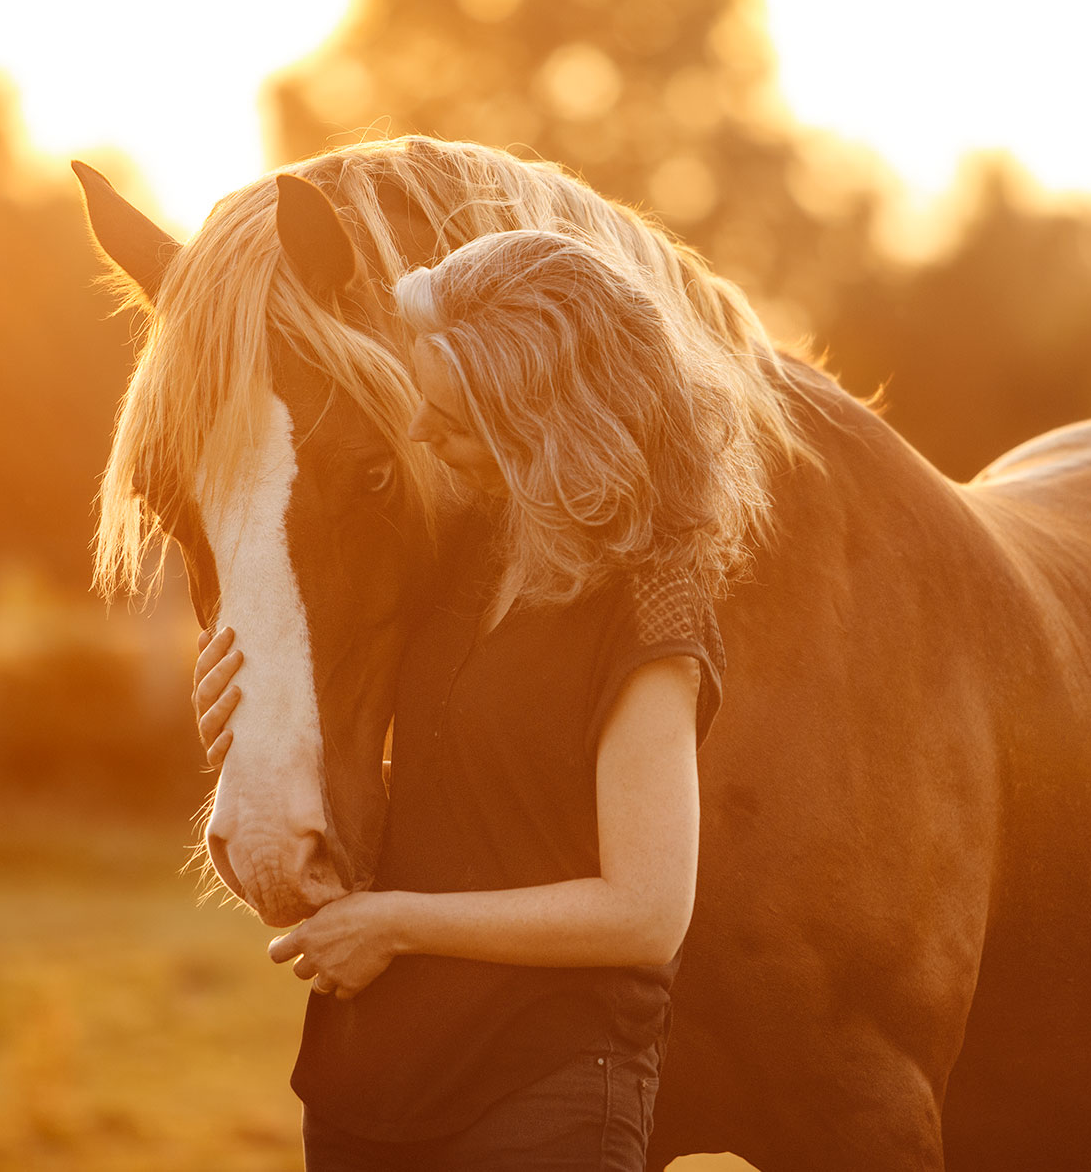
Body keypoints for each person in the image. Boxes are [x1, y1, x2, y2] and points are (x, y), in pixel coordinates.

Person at [192, 227, 762, 1170]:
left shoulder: (651, 604)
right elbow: (453, 788)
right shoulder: (458, 553)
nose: (418, 432)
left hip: (544, 1087)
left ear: (542, 413)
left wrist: (398, 922)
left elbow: (647, 909)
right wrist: (246, 736)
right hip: (367, 1082)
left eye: (451, 413)